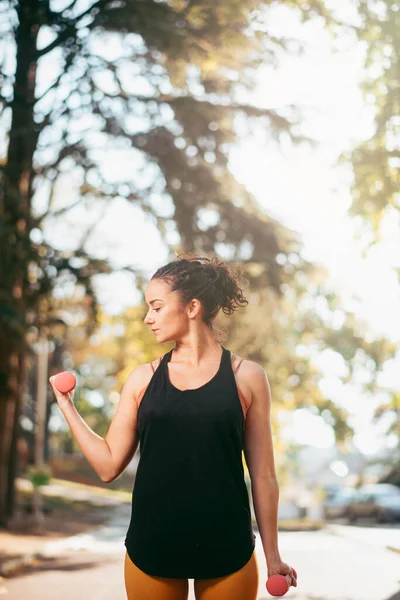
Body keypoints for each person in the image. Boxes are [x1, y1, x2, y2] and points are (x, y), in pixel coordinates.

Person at [50, 253, 297, 600]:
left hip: (227, 545)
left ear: (192, 307)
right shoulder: (142, 379)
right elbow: (107, 466)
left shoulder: (248, 377)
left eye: (156, 307)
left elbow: (264, 475)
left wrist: (273, 556)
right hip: (152, 545)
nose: (147, 318)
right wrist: (67, 406)